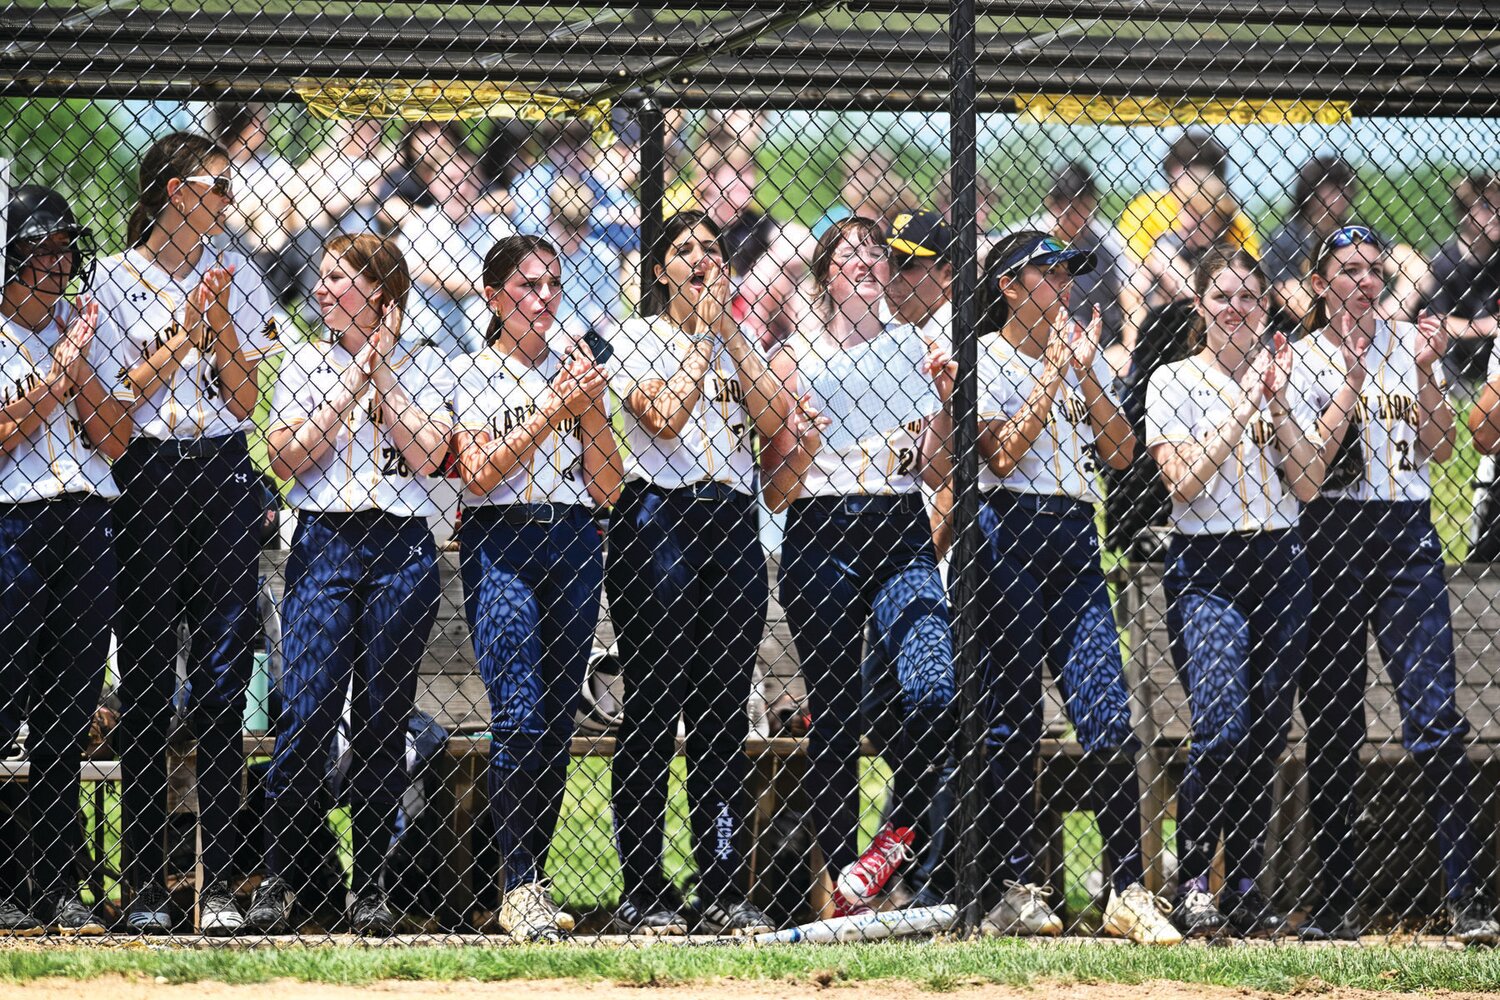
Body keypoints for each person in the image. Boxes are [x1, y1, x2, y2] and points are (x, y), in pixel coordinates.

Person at [967, 230, 1179, 944]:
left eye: (1068, 271)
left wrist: (1084, 375)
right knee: (1014, 721)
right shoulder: (987, 357)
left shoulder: (1073, 357)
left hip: (1070, 533)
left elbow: (1122, 455)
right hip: (1008, 533)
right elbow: (998, 456)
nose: (1065, 283)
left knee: (1107, 714)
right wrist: (1054, 375)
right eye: (1049, 271)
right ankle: (1014, 885)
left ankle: (1125, 887)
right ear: (1010, 285)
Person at [1291, 225, 1499, 943]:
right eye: (1348, 270)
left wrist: (1423, 371)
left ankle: (1467, 898)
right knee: (1336, 718)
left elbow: (1441, 446)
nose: (1366, 282)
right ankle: (1336, 901)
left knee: (1434, 715)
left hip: (1406, 533)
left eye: (1375, 270)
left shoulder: (1408, 343)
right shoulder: (1304, 356)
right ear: (1321, 284)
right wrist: (1351, 379)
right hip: (1334, 537)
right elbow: (1310, 471)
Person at [96, 131, 283, 935]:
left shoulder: (234, 270)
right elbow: (116, 398)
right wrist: (187, 334)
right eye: (218, 187)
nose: (228, 202)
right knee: (144, 680)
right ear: (175, 191)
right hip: (146, 472)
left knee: (218, 682)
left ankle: (217, 890)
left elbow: (244, 400)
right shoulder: (112, 276)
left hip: (219, 467)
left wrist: (223, 333)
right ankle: (143, 887)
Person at [247, 233, 453, 935]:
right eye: (325, 275)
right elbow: (284, 458)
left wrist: (384, 374)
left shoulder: (426, 366)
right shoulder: (305, 361)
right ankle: (279, 874)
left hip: (401, 546)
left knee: (380, 721)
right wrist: (348, 383)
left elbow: (429, 456)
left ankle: (371, 886)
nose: (324, 287)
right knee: (306, 714)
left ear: (382, 295)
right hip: (326, 541)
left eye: (341, 278)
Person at [760, 216, 955, 920]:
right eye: (851, 254)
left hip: (899, 523)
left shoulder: (917, 347)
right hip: (822, 529)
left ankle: (893, 840)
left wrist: (944, 402)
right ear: (824, 277)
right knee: (837, 713)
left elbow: (936, 468)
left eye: (877, 253)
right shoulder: (792, 357)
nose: (869, 262)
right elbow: (776, 487)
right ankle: (844, 889)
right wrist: (806, 443)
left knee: (936, 688)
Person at [605, 210, 787, 936]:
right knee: (654, 705)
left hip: (732, 520)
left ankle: (718, 883)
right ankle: (642, 888)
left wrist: (731, 336)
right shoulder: (636, 337)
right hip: (660, 521)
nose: (701, 260)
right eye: (684, 251)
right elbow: (665, 418)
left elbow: (776, 423)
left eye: (712, 250)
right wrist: (701, 339)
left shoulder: (739, 342)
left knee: (719, 713)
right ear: (661, 271)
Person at [448, 235, 624, 940]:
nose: (545, 297)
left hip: (575, 537)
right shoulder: (471, 373)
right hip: (503, 539)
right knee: (518, 711)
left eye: (553, 282)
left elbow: (608, 486)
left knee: (552, 720)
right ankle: (517, 879)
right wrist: (557, 409)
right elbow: (480, 473)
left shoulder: (579, 371)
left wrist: (588, 409)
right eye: (527, 286)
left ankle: (530, 880)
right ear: (494, 298)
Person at [1145, 248, 1324, 938]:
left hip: (1280, 559)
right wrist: (1245, 401)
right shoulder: (1174, 381)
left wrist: (1277, 406)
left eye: (1250, 297)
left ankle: (1245, 882)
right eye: (1222, 297)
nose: (1238, 310)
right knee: (1221, 727)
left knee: (1267, 734)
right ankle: (1193, 880)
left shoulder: (1288, 378)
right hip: (1208, 564)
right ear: (1199, 306)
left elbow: (1307, 484)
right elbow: (1183, 483)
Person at [0, 186, 131, 935]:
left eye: (63, 251)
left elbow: (114, 441)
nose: (55, 264)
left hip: (85, 522)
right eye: (39, 250)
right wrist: (56, 379)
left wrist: (77, 368)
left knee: (63, 713)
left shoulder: (81, 336)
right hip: (12, 525)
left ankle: (52, 887)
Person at [403, 147, 517, 357]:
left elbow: (515, 271)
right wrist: (490, 284)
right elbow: (442, 281)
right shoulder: (418, 227)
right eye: (451, 180)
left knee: (480, 305)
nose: (461, 187)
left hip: (480, 317)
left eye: (468, 179)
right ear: (433, 184)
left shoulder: (496, 225)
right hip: (430, 333)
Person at [1021, 164, 1130, 371]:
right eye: (1067, 209)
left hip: (1102, 348)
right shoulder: (1029, 240)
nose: (1077, 217)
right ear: (1052, 205)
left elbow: (1133, 298)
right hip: (1037, 346)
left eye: (1083, 208)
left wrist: (1127, 348)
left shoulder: (1107, 240)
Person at [1117, 131, 1260, 264]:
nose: (1192, 177)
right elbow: (1130, 265)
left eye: (1201, 169)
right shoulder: (1146, 207)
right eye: (1185, 168)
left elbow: (1253, 267)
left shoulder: (1230, 216)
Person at [1261, 155, 1359, 323]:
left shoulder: (1354, 232)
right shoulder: (1284, 239)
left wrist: (1389, 310)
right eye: (1332, 187)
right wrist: (1363, 318)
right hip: (1297, 335)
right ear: (1310, 191)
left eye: (1345, 186)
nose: (1341, 193)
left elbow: (1412, 262)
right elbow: (1299, 305)